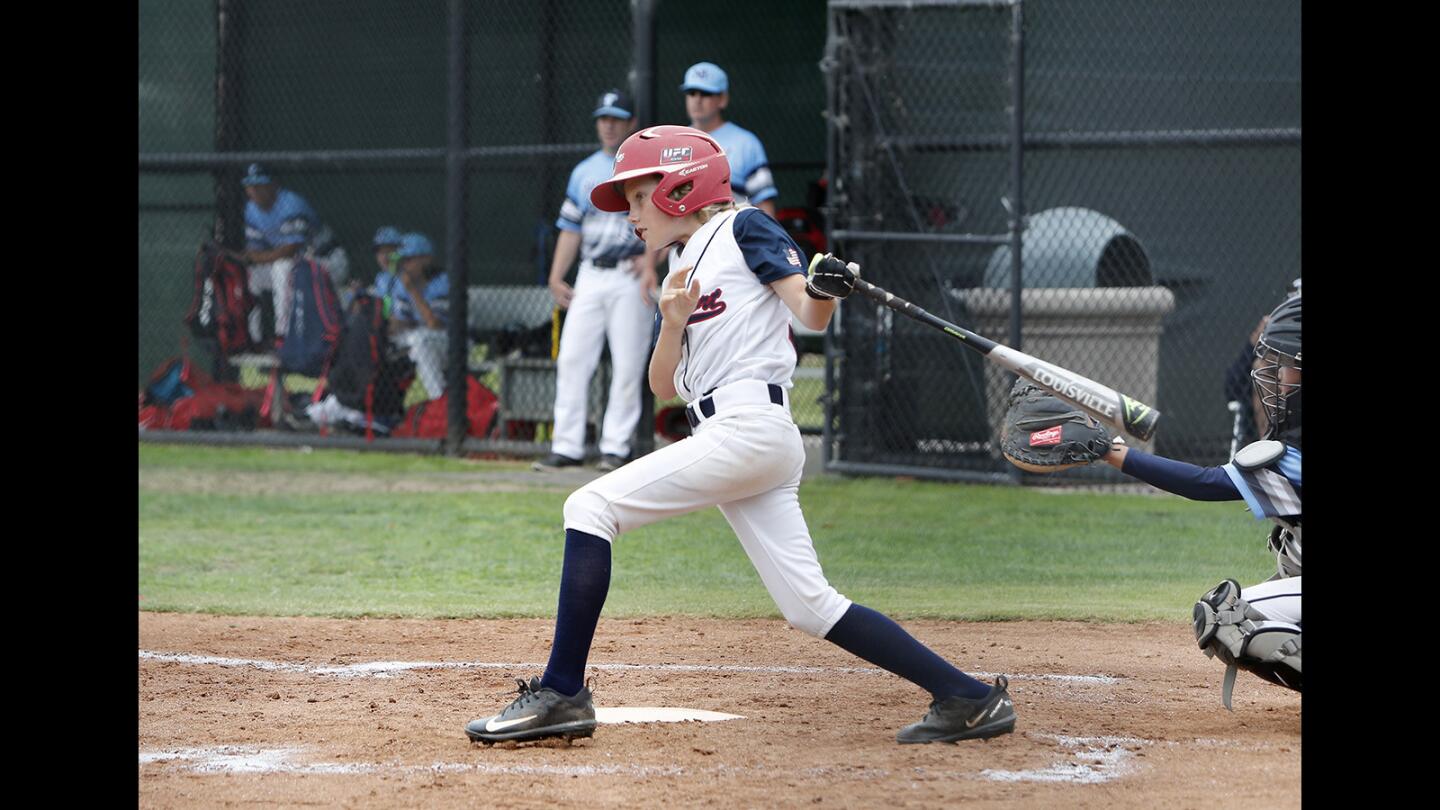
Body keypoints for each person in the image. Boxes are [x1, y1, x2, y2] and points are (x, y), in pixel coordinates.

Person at [465, 126, 1015, 747]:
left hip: (749, 425)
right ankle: (968, 696)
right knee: (810, 606)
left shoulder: (744, 227)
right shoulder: (677, 265)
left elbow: (807, 313)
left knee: (588, 506)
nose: (632, 217)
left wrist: (827, 291)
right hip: (734, 435)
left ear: (680, 187)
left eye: (638, 198)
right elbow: (662, 386)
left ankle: (562, 692)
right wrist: (671, 323)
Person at [1102, 293, 1301, 709]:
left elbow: (1205, 483)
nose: (1278, 377)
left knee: (1227, 614)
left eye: (1290, 367)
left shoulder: (1293, 460)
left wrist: (1113, 453)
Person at [533, 89, 657, 473]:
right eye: (603, 118)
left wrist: (651, 261)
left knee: (628, 362)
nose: (608, 125)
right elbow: (571, 228)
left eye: (616, 118)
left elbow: (664, 220)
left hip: (629, 273)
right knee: (572, 358)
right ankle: (567, 445)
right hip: (591, 272)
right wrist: (556, 275)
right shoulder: (584, 170)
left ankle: (615, 447)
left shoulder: (646, 167)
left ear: (631, 124)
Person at [234, 163, 350, 342]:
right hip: (300, 267)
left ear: (273, 185)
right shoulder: (251, 209)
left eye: (259, 185)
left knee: (282, 268)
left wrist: (252, 257)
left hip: (329, 262)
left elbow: (290, 249)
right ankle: (252, 338)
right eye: (250, 186)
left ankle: (284, 336)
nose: (254, 191)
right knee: (250, 275)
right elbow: (255, 249)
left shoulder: (291, 204)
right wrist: (247, 259)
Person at [680, 62, 778, 217]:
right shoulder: (674, 143)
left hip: (732, 236)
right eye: (691, 93)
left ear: (723, 99)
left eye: (706, 93)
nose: (697, 100)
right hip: (686, 240)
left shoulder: (747, 143)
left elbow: (764, 204)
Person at [383, 233, 450, 399]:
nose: (404, 266)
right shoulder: (400, 284)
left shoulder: (443, 282)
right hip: (419, 339)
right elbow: (404, 322)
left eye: (408, 260)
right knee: (377, 341)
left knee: (420, 341)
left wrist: (413, 291)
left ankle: (440, 400)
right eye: (402, 261)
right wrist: (384, 327)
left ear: (426, 259)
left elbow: (434, 323)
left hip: (450, 341)